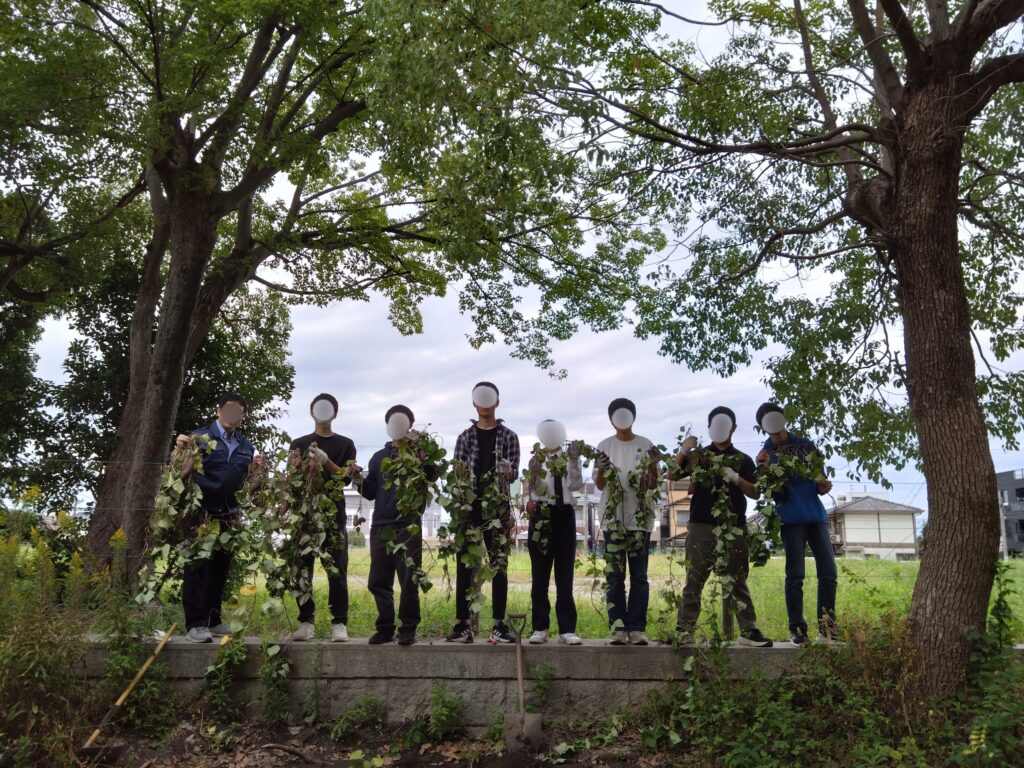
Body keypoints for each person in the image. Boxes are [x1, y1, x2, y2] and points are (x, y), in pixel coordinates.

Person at [673, 407, 772, 646]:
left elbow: (755, 492)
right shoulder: (699, 456)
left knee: (737, 580)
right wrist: (684, 450)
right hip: (701, 524)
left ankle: (749, 631)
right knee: (694, 579)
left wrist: (736, 478)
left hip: (733, 527)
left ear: (733, 428)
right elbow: (672, 474)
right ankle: (684, 630)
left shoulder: (743, 460)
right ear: (709, 428)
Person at [176, 393, 259, 643]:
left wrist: (258, 473)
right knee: (196, 567)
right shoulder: (198, 438)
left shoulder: (246, 446)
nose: (234, 414)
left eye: (239, 411)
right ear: (219, 410)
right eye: (230, 408)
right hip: (200, 512)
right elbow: (177, 470)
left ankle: (213, 620)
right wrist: (179, 450)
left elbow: (247, 483)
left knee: (220, 569)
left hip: (229, 514)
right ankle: (195, 623)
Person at [754, 402, 837, 645]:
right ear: (762, 427)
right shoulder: (765, 454)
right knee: (795, 576)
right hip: (790, 519)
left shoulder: (806, 445)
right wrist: (764, 470)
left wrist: (823, 486)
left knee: (829, 573)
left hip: (816, 516)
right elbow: (770, 492)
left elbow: (819, 481)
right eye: (766, 421)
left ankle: (828, 629)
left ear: (783, 418)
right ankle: (797, 630)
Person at [353, 405, 437, 646]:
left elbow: (432, 475)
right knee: (378, 581)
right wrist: (356, 478)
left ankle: (408, 628)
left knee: (409, 579)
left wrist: (423, 453)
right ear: (388, 425)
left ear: (410, 425)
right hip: (381, 524)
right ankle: (385, 628)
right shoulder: (379, 457)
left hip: (408, 526)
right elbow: (370, 491)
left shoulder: (418, 454)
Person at [446, 382, 520, 644]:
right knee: (464, 565)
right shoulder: (464, 437)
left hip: (497, 506)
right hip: (469, 506)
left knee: (498, 565)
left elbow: (514, 474)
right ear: (474, 403)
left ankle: (499, 625)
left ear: (497, 402)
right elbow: (457, 474)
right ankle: (463, 624)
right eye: (480, 399)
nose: (485, 404)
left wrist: (508, 471)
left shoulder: (509, 436)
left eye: (489, 399)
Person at [285, 394, 357, 642]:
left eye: (328, 408)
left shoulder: (346, 444)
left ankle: (339, 623)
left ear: (335, 413)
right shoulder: (298, 443)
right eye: (319, 408)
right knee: (302, 570)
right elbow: (291, 479)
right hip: (305, 516)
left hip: (333, 515)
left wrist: (326, 461)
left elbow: (345, 479)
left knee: (337, 571)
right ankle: (306, 622)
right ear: (311, 411)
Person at [594, 398, 658, 646]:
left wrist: (653, 465)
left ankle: (637, 629)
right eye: (617, 415)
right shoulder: (604, 446)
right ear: (611, 420)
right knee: (615, 577)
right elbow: (600, 485)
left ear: (633, 417)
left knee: (639, 576)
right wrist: (602, 468)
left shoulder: (646, 444)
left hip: (640, 520)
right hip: (613, 520)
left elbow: (652, 484)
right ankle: (618, 628)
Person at [524, 420, 584, 645]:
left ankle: (567, 629)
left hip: (565, 514)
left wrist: (574, 461)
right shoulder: (536, 459)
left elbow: (575, 486)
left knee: (565, 573)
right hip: (542, 514)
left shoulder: (570, 457)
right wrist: (535, 474)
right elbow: (538, 490)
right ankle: (540, 627)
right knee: (539, 574)